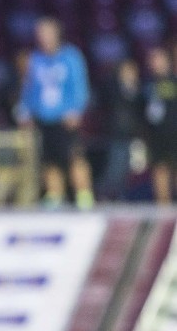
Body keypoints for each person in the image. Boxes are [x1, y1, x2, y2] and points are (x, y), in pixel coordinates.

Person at [19, 16, 94, 209]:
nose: (43, 37)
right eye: (40, 33)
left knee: (74, 156)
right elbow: (30, 88)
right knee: (49, 159)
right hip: (45, 117)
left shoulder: (71, 56)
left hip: (66, 117)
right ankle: (54, 194)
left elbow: (80, 86)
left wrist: (76, 110)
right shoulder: (36, 59)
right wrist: (26, 111)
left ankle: (84, 194)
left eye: (47, 32)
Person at [99, 59, 145, 201]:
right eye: (125, 71)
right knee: (116, 168)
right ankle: (107, 194)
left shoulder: (141, 91)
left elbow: (143, 113)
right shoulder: (113, 89)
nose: (128, 74)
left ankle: (124, 195)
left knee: (133, 170)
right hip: (118, 135)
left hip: (135, 136)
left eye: (131, 71)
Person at [144, 47, 177, 204]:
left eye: (159, 58)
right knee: (160, 171)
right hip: (156, 137)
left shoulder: (174, 81)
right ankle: (163, 212)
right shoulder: (147, 85)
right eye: (153, 59)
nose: (156, 63)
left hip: (174, 134)